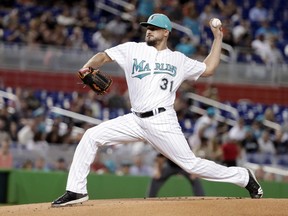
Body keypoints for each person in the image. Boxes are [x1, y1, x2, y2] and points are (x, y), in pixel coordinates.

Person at [51, 13, 263, 207]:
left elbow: (208, 69)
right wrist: (87, 67)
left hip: (162, 121)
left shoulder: (178, 59)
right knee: (91, 135)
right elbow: (103, 56)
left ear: (166, 32)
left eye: (153, 27)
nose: (148, 30)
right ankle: (76, 190)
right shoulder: (133, 49)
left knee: (192, 165)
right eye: (147, 27)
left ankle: (244, 177)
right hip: (134, 120)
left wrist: (217, 38)